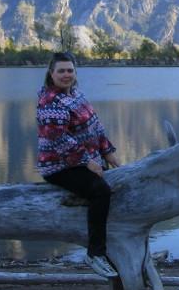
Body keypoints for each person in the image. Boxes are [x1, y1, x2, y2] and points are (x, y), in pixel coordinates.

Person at [36, 52, 120, 278]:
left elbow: (95, 126)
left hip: (87, 159)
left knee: (120, 182)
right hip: (59, 167)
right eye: (61, 71)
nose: (66, 75)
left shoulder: (75, 94)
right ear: (51, 74)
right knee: (100, 191)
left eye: (70, 70)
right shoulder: (49, 101)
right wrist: (87, 162)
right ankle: (95, 254)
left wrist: (108, 152)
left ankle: (117, 249)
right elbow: (58, 139)